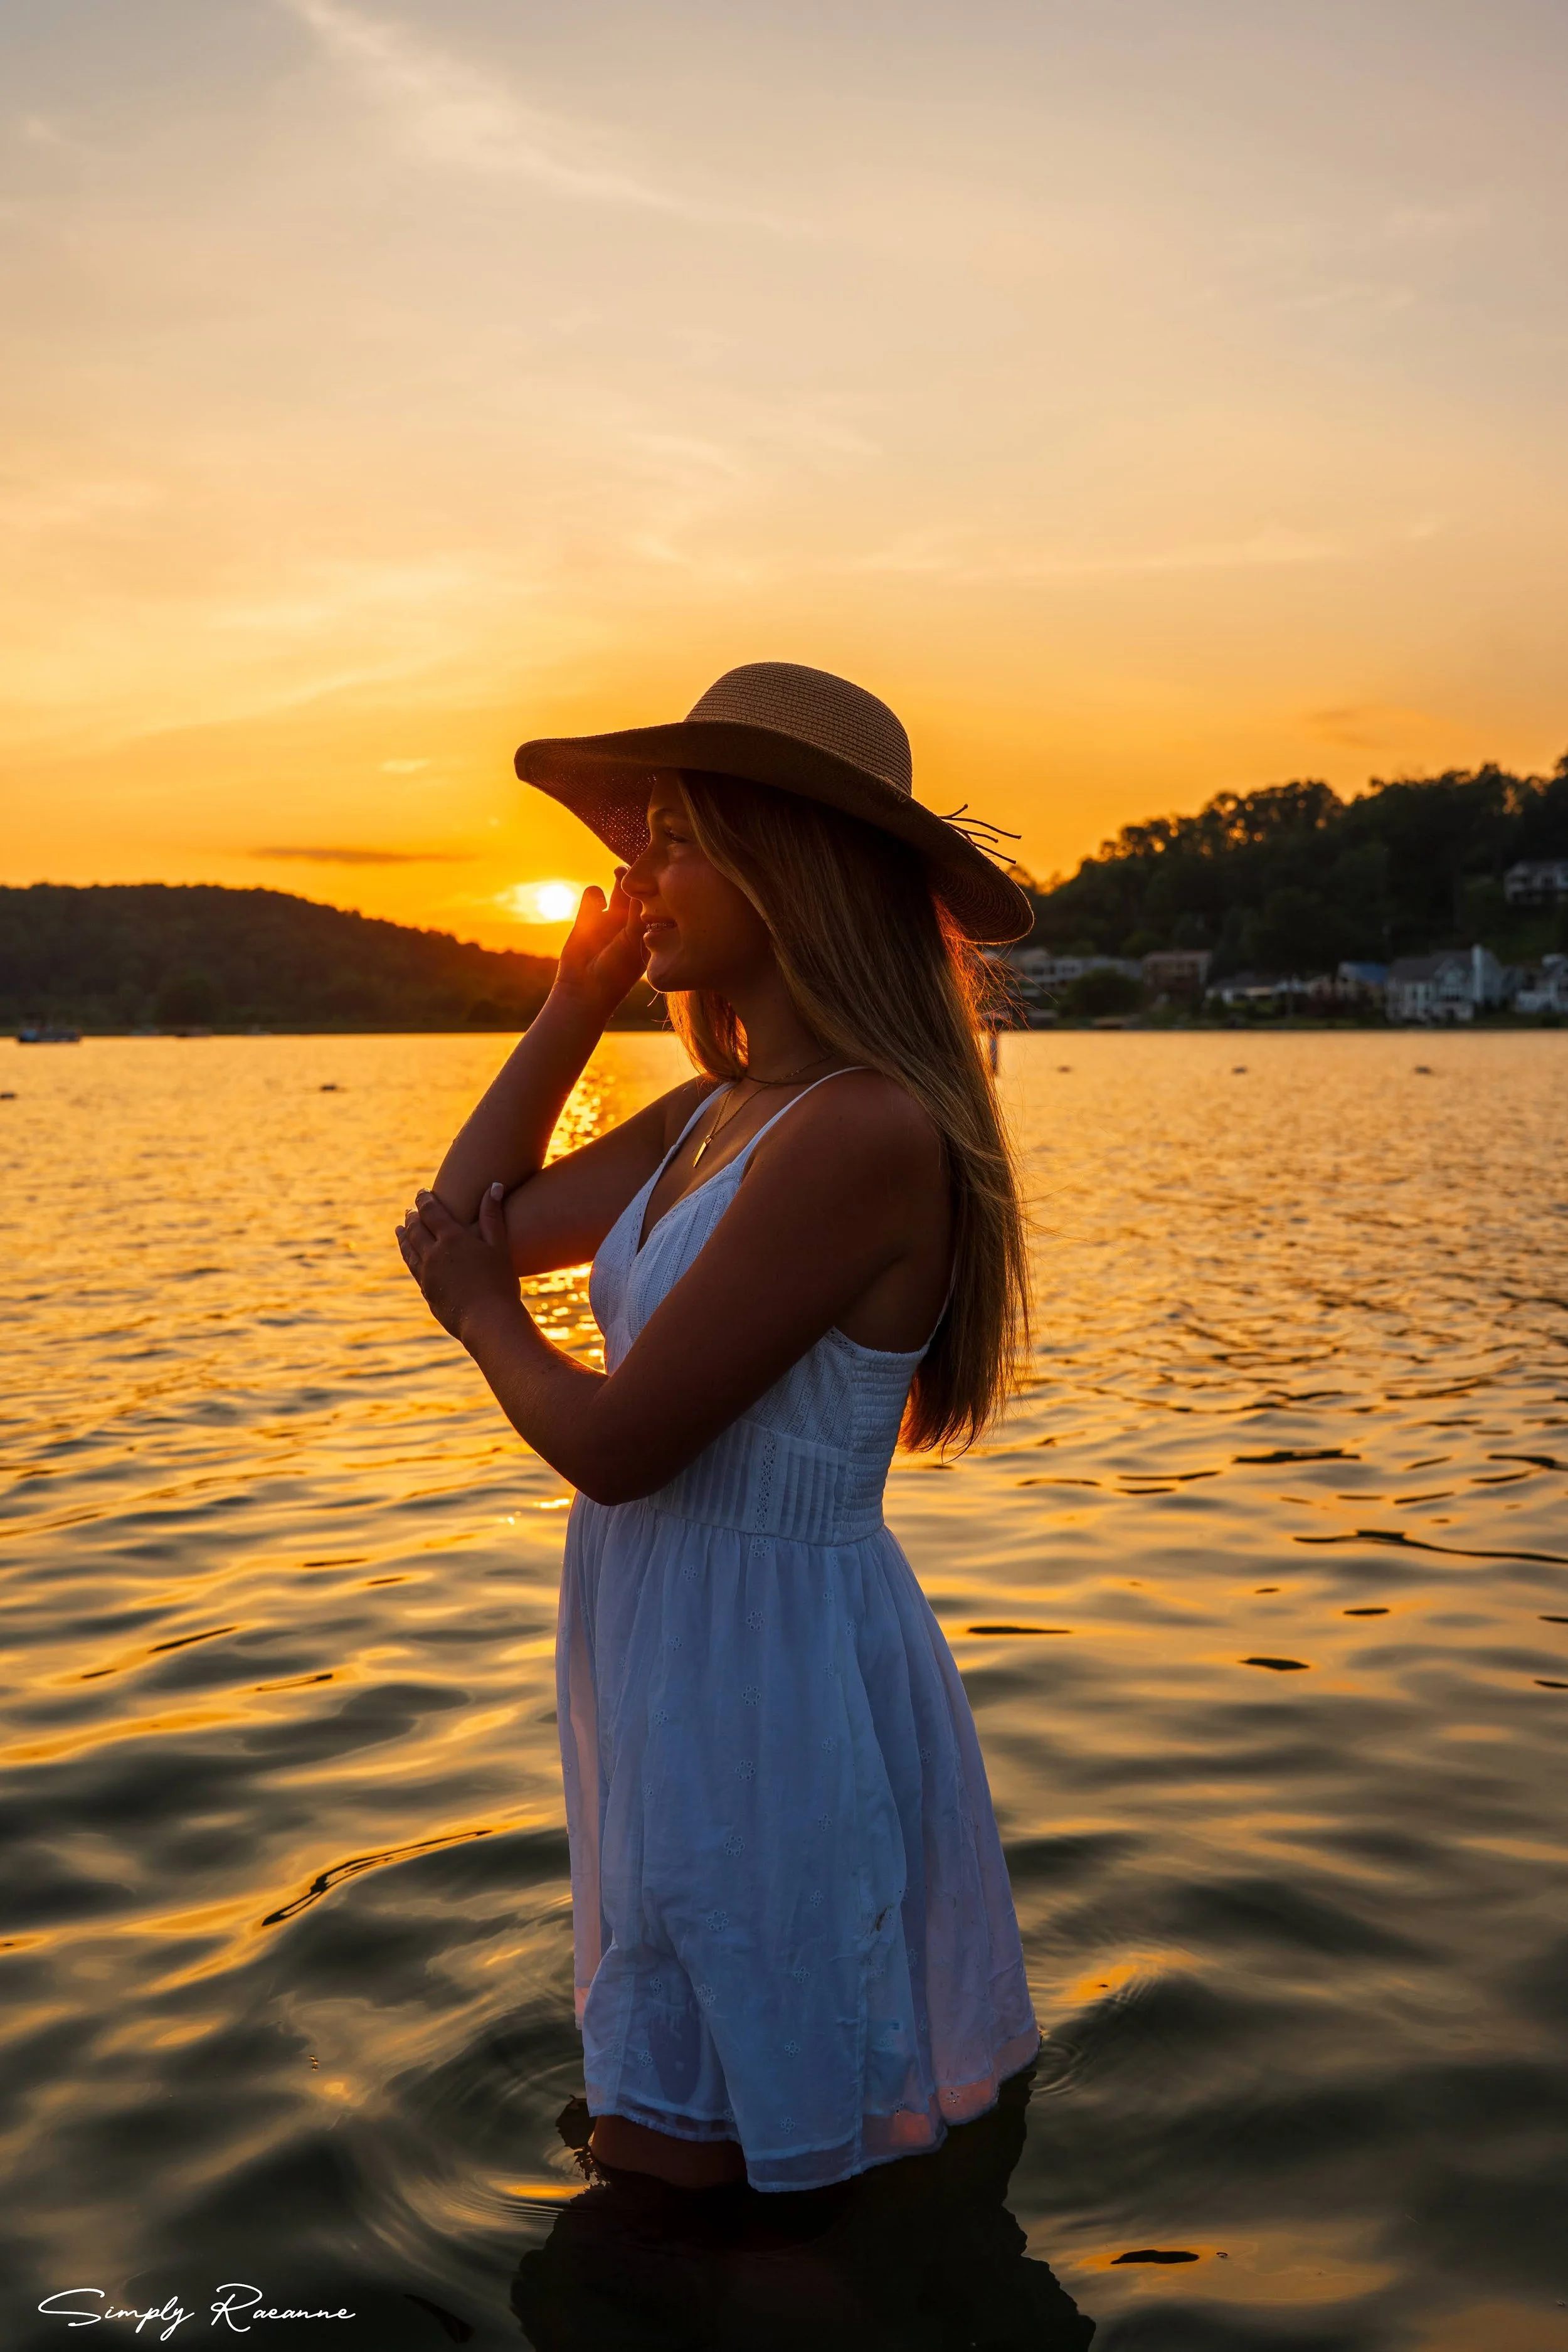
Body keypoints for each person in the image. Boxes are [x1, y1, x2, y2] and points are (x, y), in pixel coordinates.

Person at [396, 661, 1041, 2198]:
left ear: (788, 864)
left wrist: (489, 1313)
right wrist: (573, 1002)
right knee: (682, 2115)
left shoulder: (865, 1128)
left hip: (763, 1660)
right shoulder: (712, 1114)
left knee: (729, 2149)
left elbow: (616, 1442)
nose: (636, 875)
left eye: (676, 838)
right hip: (668, 1637)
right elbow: (467, 1217)